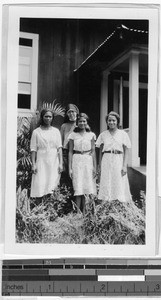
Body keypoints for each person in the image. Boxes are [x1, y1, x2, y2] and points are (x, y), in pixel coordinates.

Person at [96, 111, 132, 203]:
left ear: (117, 122)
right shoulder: (103, 134)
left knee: (118, 181)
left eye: (113, 120)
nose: (111, 122)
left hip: (118, 159)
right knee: (107, 180)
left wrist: (124, 166)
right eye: (109, 120)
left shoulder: (123, 134)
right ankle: (106, 203)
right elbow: (100, 150)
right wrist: (99, 164)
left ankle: (118, 203)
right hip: (106, 159)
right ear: (107, 122)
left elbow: (126, 150)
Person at [30, 108, 63, 199]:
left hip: (53, 160)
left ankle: (51, 207)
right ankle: (41, 208)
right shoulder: (36, 132)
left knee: (52, 183)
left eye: (50, 117)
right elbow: (33, 149)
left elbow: (59, 148)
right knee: (41, 182)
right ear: (42, 117)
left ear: (52, 118)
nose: (48, 119)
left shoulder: (56, 131)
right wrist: (33, 164)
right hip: (41, 160)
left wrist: (61, 164)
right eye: (46, 116)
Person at [68, 113, 97, 213]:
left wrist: (94, 167)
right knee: (78, 185)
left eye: (84, 121)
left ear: (87, 122)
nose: (82, 123)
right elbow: (70, 151)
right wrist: (70, 168)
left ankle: (85, 212)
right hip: (76, 160)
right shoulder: (72, 135)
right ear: (77, 123)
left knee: (86, 186)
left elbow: (93, 151)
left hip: (87, 160)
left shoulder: (91, 135)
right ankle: (77, 212)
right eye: (80, 121)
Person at [60, 103, 79, 188]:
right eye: (69, 112)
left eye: (73, 112)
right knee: (66, 173)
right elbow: (60, 141)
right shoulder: (64, 126)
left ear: (77, 113)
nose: (71, 114)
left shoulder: (80, 124)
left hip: (77, 152)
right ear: (67, 115)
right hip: (66, 152)